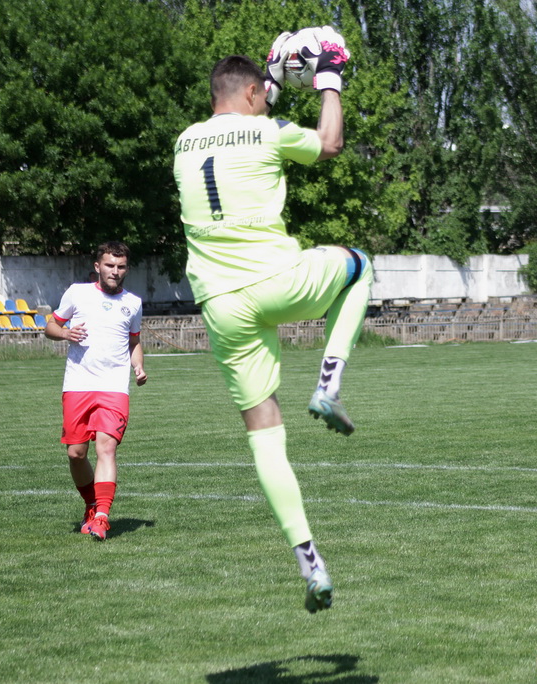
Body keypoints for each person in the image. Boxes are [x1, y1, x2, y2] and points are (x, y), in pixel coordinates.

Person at [171, 27, 372, 614]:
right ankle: (329, 384)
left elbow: (244, 119)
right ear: (252, 93)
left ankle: (310, 562)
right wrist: (328, 76)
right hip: (276, 279)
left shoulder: (183, 142)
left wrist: (275, 77)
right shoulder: (267, 130)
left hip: (220, 304)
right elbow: (329, 143)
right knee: (359, 267)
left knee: (264, 431)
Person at [44, 241, 147, 541]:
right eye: (110, 265)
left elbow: (134, 342)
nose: (115, 271)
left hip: (114, 387)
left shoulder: (134, 302)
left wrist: (138, 366)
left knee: (106, 448)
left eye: (121, 266)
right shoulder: (77, 293)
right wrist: (65, 333)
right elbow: (51, 326)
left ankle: (102, 516)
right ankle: (91, 504)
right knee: (76, 454)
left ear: (127, 269)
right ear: (97, 266)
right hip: (78, 385)